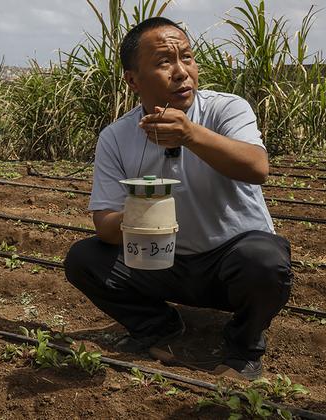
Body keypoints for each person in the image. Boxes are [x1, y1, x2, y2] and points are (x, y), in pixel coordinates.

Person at [64, 17, 292, 380]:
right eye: (163, 62)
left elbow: (256, 167)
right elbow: (104, 223)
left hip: (230, 263)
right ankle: (158, 326)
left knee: (264, 261)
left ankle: (243, 347)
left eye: (186, 57)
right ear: (132, 79)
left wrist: (190, 134)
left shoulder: (226, 109)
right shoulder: (116, 137)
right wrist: (141, 214)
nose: (181, 72)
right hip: (161, 261)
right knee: (84, 259)